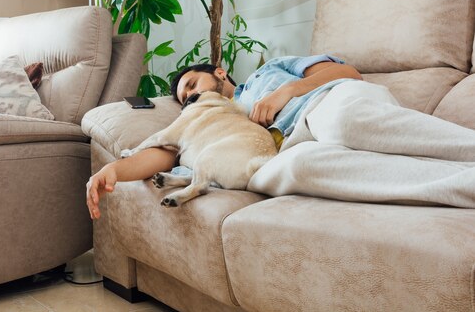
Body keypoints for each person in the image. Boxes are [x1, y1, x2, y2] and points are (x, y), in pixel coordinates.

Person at [86, 54, 475, 219]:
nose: (188, 95)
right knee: (294, 170)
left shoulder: (271, 70)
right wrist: (115, 171)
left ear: (219, 73)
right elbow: (166, 152)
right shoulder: (215, 120)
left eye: (191, 83)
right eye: (184, 97)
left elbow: (350, 73)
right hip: (293, 146)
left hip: (329, 104)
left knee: (342, 124)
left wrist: (286, 91)